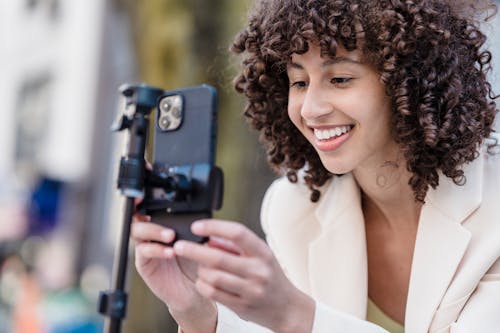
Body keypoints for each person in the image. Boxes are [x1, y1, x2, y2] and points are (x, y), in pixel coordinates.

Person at [131, 0, 500, 332]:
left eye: (340, 79)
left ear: (410, 79)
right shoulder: (292, 210)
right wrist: (198, 313)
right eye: (299, 82)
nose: (310, 109)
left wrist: (295, 314)